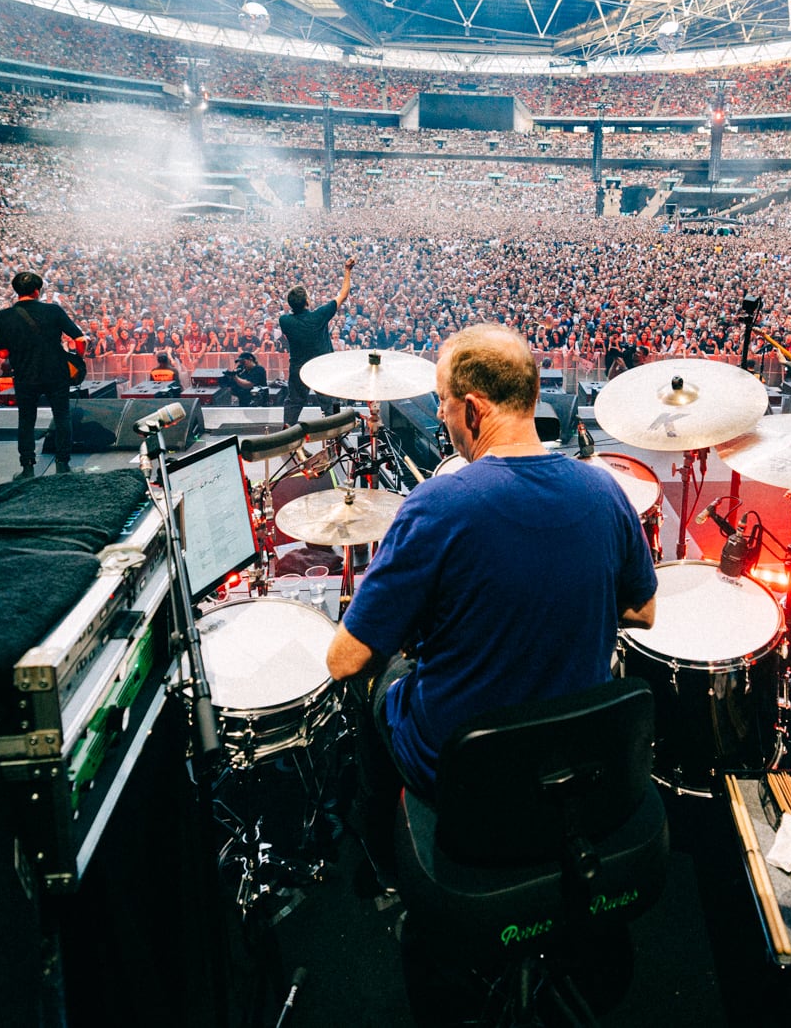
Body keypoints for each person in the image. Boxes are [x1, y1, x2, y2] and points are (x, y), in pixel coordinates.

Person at [325, 324, 658, 867]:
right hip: (576, 757)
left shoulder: (437, 505)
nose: (438, 415)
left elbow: (344, 660)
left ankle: (379, 852)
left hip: (464, 770)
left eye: (443, 403)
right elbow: (642, 611)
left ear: (474, 410)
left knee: (375, 680)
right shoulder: (604, 489)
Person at [0, 270, 87, 480]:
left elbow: (2, 353)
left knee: (26, 420)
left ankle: (27, 468)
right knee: (62, 416)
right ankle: (62, 466)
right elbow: (80, 339)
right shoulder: (53, 311)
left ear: (16, 291)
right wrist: (78, 358)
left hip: (25, 374)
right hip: (56, 373)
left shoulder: (3, 316)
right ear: (37, 291)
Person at [279, 256, 354, 425]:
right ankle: (335, 438)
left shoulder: (284, 321)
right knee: (330, 406)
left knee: (294, 403)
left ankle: (286, 438)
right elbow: (343, 295)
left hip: (299, 368)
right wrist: (347, 270)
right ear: (307, 301)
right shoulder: (319, 316)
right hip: (322, 367)